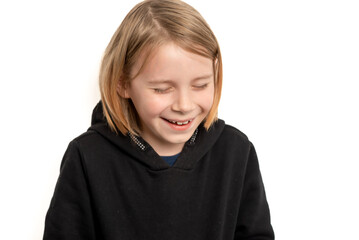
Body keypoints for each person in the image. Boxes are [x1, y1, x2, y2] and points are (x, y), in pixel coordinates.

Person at [43, 0, 274, 239]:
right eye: (162, 89)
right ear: (123, 83)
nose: (184, 105)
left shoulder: (236, 151)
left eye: (201, 85)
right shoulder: (86, 157)